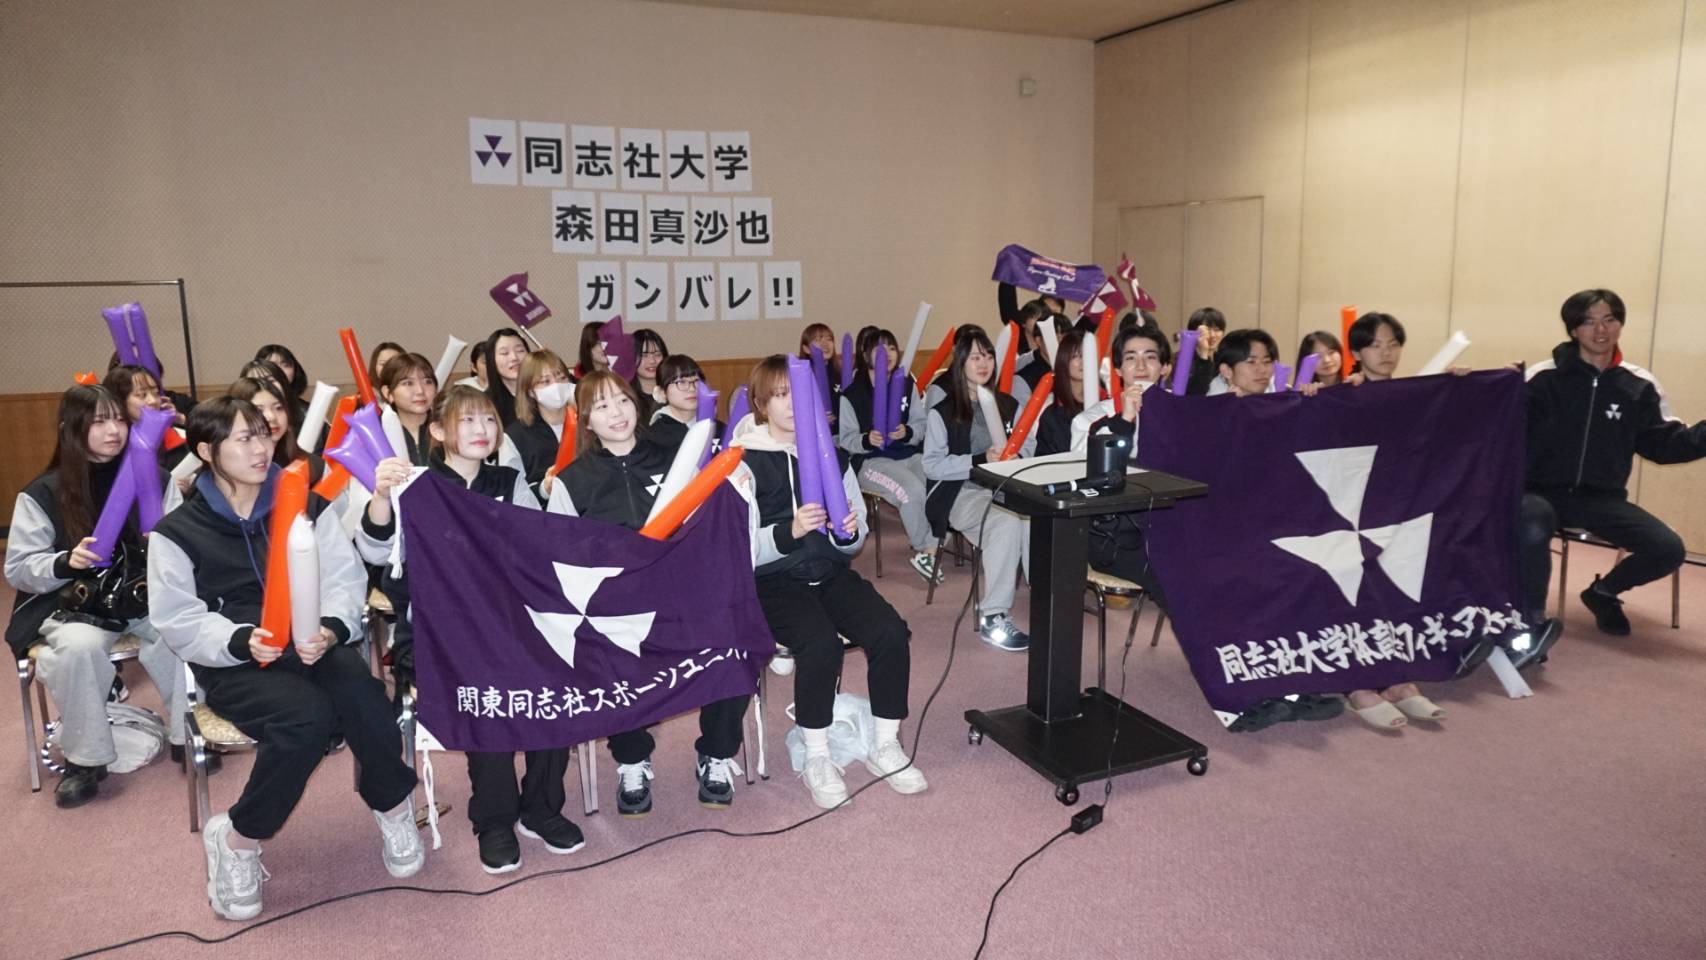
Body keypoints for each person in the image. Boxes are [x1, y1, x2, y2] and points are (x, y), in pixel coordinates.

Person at [149, 397, 423, 919]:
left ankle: (393, 805)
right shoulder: (178, 532)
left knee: (366, 695)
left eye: (264, 434)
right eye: (243, 438)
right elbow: (176, 617)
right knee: (305, 718)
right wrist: (240, 640)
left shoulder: (305, 504)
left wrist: (331, 627)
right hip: (235, 659)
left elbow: (343, 577)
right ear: (206, 451)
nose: (260, 448)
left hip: (311, 643)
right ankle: (238, 838)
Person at [370, 385, 583, 873]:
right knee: (487, 689)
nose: (481, 429)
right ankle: (494, 819)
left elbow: (536, 550)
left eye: (488, 419)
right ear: (437, 430)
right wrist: (381, 495)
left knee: (558, 675)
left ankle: (541, 807)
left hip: (511, 623)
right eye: (466, 420)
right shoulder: (416, 487)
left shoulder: (509, 481)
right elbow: (377, 550)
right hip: (440, 636)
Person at [733, 356, 926, 809]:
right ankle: (817, 754)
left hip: (830, 573)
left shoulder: (831, 456)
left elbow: (854, 537)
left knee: (889, 631)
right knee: (820, 645)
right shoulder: (743, 462)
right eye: (780, 395)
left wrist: (847, 532)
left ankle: (885, 742)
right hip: (774, 582)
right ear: (761, 403)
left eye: (799, 395)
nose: (792, 405)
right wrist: (790, 531)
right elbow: (739, 549)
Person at [555, 372, 749, 815]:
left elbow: (707, 521)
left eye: (622, 400)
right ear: (585, 419)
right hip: (616, 606)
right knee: (605, 658)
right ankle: (632, 759)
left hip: (683, 593)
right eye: (602, 406)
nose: (616, 413)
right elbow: (562, 555)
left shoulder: (677, 456)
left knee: (732, 644)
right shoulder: (573, 480)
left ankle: (716, 754)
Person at [5, 385, 188, 807]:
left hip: (143, 597)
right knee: (78, 648)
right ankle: (85, 759)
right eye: (99, 421)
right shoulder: (44, 492)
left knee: (179, 631)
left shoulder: (156, 479)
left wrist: (168, 542)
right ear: (71, 428)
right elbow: (18, 568)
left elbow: (188, 542)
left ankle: (186, 735)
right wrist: (65, 561)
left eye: (119, 419)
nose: (114, 430)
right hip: (74, 606)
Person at [1519, 289, 1706, 638]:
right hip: (1538, 493)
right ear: (1573, 329)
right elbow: (1499, 430)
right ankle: (1529, 624)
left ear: (1620, 325)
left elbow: (1664, 445)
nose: (1600, 330)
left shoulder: (1638, 386)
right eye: (1588, 322)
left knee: (1667, 548)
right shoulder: (1541, 378)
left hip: (1601, 499)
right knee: (1530, 524)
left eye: (1609, 320)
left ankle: (1603, 593)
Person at [922, 327, 1033, 652]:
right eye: (974, 357)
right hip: (959, 492)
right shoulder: (944, 411)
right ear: (960, 363)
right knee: (1006, 522)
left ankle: (1046, 596)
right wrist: (979, 460)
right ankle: (993, 617)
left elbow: (1029, 446)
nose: (983, 363)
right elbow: (932, 466)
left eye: (988, 356)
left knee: (1035, 517)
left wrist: (1017, 455)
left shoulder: (1008, 405)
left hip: (1004, 488)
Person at [837, 327, 938, 583]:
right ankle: (926, 549)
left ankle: (934, 544)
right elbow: (845, 439)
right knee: (912, 491)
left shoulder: (906, 384)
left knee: (938, 484)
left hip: (909, 454)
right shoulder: (852, 394)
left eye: (892, 348)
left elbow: (921, 424)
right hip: (871, 462)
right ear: (866, 355)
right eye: (880, 349)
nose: (888, 354)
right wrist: (866, 440)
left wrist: (907, 432)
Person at [503, 349, 575, 501]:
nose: (556, 385)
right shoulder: (515, 436)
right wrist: (544, 489)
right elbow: (512, 493)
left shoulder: (587, 423)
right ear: (530, 391)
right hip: (543, 512)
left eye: (562, 378)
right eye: (545, 381)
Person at [647, 354, 722, 455]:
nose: (692, 388)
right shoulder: (653, 437)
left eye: (696, 381)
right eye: (681, 382)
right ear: (662, 392)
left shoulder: (719, 428)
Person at [376, 352, 439, 466]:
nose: (420, 391)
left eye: (427, 382)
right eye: (408, 383)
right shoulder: (376, 434)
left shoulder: (450, 427)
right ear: (388, 392)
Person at [1035, 331, 1084, 456]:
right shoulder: (1052, 415)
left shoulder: (1105, 403)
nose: (1083, 361)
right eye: (1076, 356)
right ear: (1064, 361)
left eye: (1087, 355)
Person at [482, 328, 530, 427]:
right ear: (491, 360)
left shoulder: (543, 393)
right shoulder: (485, 403)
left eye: (520, 350)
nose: (514, 357)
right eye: (504, 353)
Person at [1345, 312, 1406, 382]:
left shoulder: (1407, 388)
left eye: (1393, 345)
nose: (1386, 353)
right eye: (1376, 346)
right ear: (1356, 354)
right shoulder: (1347, 388)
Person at [1182, 308, 1227, 395]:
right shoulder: (1183, 360)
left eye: (1217, 329)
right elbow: (1196, 395)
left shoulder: (1223, 360)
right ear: (1194, 333)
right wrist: (1204, 354)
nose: (1212, 335)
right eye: (1207, 330)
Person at [631, 329, 668, 423]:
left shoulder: (674, 390)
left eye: (657, 354)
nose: (652, 361)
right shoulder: (625, 396)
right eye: (644, 355)